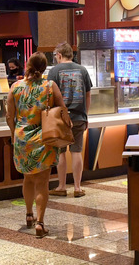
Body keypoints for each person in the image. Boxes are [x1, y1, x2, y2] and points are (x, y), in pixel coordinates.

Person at [5, 51, 66, 237]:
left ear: (28, 65)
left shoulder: (16, 87)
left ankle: (29, 215)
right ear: (44, 67)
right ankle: (40, 223)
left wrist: (13, 134)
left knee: (28, 179)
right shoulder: (50, 86)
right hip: (44, 139)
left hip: (22, 138)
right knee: (43, 182)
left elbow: (9, 116)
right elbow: (62, 109)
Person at [48, 43, 92, 198]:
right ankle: (78, 188)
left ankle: (61, 186)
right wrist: (85, 115)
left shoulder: (54, 71)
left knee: (60, 152)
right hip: (79, 117)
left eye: (55, 56)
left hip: (60, 118)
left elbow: (50, 96)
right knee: (76, 151)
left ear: (59, 55)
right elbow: (88, 95)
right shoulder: (83, 70)